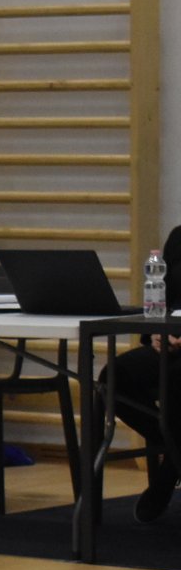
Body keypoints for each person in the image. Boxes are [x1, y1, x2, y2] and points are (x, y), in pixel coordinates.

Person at [107, 223, 181, 523]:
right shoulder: (179, 238)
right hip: (171, 339)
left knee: (177, 382)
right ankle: (174, 449)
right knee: (115, 376)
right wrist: (155, 333)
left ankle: (167, 474)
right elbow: (160, 297)